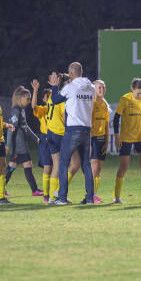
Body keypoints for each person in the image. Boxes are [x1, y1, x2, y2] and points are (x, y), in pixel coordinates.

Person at [48, 62, 95, 205]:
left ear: (71, 73)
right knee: (86, 165)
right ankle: (90, 198)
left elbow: (55, 100)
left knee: (63, 163)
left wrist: (55, 86)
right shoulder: (91, 87)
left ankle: (61, 198)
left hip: (72, 129)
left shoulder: (69, 87)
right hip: (86, 130)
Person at [112, 78, 141, 204]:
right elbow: (116, 119)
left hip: (140, 137)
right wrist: (117, 135)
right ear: (132, 89)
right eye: (138, 93)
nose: (140, 96)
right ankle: (116, 197)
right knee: (124, 166)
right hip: (126, 137)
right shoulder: (125, 99)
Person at [45, 73, 81, 203]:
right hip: (60, 133)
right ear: (67, 83)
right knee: (76, 163)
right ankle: (58, 192)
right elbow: (65, 118)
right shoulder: (63, 97)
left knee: (56, 165)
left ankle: (52, 197)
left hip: (50, 133)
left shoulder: (52, 96)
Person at [4, 86, 43, 196]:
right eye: (28, 99)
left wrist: (35, 138)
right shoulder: (16, 110)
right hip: (18, 145)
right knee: (26, 164)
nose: (29, 101)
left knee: (12, 166)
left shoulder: (21, 109)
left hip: (20, 144)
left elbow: (25, 127)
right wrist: (8, 145)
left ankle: (0, 188)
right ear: (21, 98)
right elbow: (12, 128)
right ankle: (34, 190)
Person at [31, 80, 53, 202]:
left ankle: (56, 193)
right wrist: (35, 90)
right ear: (44, 99)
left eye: (51, 95)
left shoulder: (57, 108)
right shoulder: (43, 110)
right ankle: (46, 194)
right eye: (47, 96)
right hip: (45, 139)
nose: (50, 98)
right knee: (47, 168)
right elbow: (33, 106)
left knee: (58, 168)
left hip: (56, 137)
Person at [90, 80, 110, 203]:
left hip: (102, 139)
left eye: (103, 87)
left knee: (99, 169)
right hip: (93, 139)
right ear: (94, 90)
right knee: (94, 167)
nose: (102, 89)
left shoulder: (105, 105)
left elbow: (107, 126)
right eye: (99, 87)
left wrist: (107, 143)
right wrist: (89, 142)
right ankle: (91, 195)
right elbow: (88, 124)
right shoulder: (91, 104)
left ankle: (95, 195)